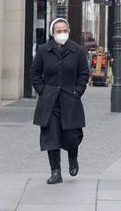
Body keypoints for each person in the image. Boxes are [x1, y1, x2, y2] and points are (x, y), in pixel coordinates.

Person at [30, 18, 89, 184]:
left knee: (72, 135)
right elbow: (34, 73)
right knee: (51, 136)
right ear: (52, 33)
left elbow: (83, 74)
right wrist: (42, 90)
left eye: (64, 30)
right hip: (50, 101)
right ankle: (55, 171)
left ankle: (73, 156)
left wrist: (77, 91)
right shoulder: (43, 50)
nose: (62, 34)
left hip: (70, 98)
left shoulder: (77, 50)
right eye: (58, 31)